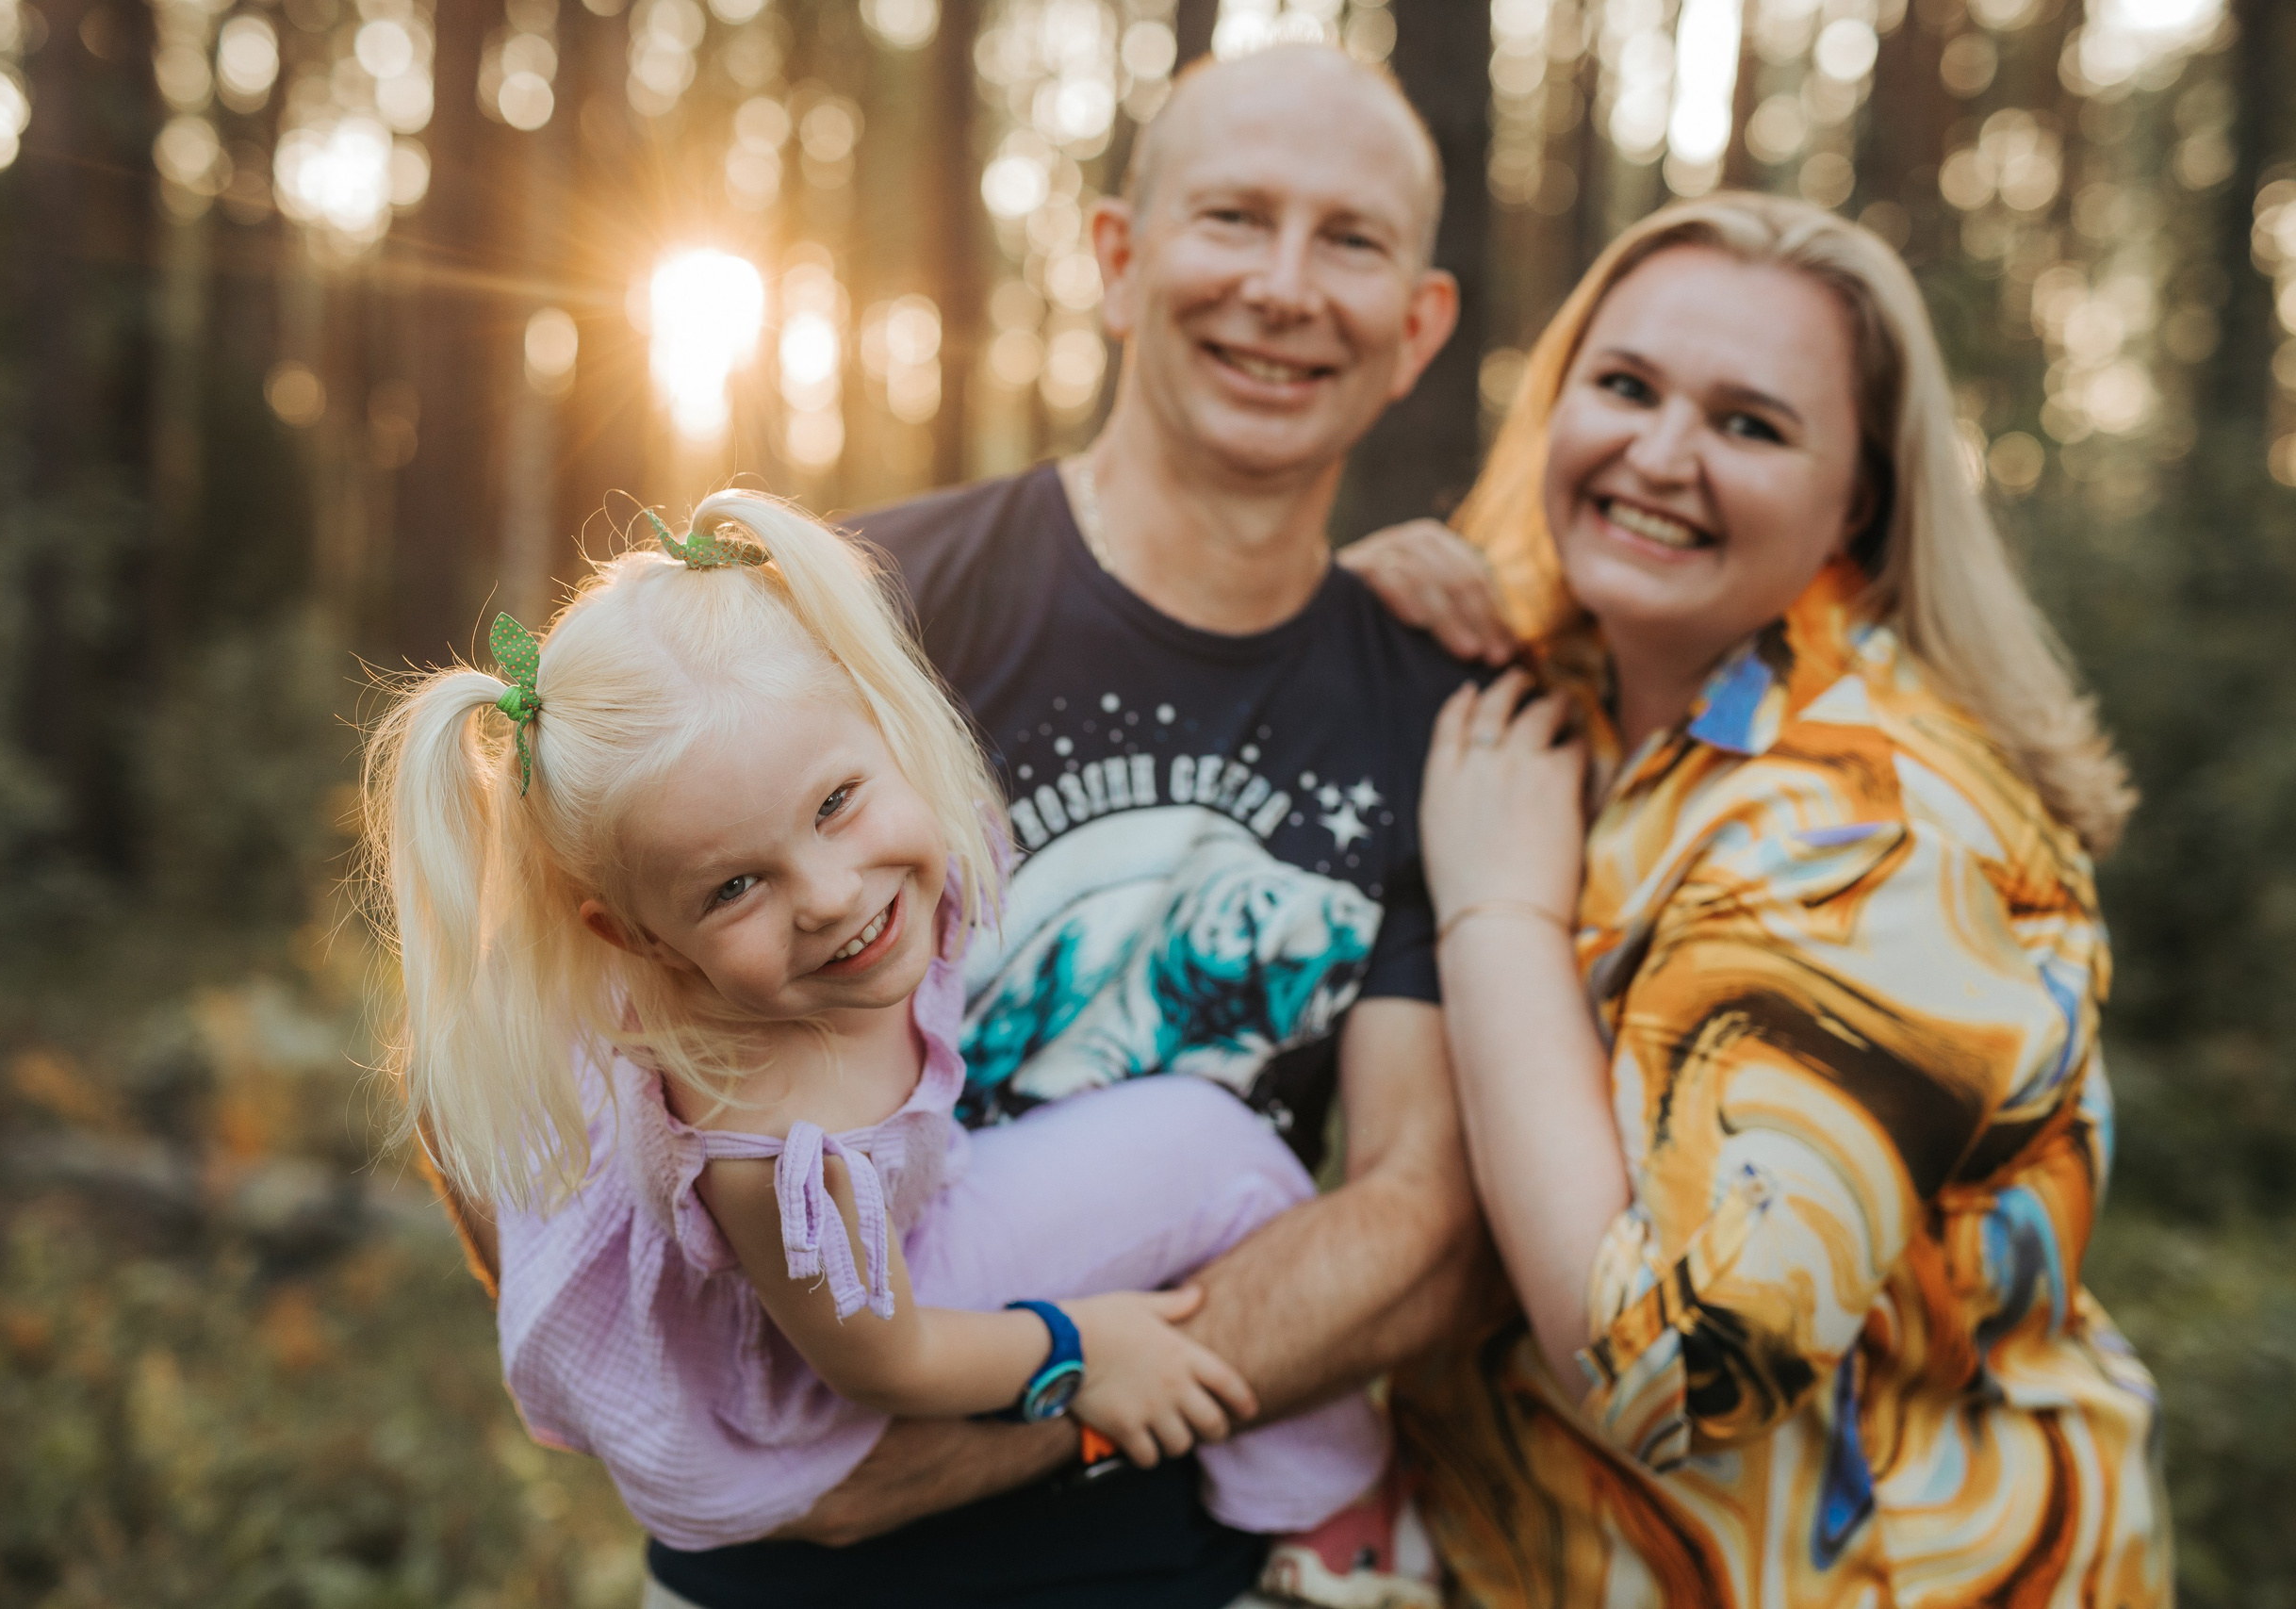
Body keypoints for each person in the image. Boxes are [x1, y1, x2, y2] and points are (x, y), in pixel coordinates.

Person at [636, 41, 1493, 1609]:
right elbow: (567, 1015)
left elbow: (1415, 1219)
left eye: (1352, 239)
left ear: (1419, 324)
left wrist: (987, 1424)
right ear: (1118, 259)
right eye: (1232, 217)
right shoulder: (859, 607)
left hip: (1183, 1560)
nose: (1286, 287)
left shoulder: (1439, 708)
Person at [362, 494, 1415, 1598]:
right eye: (734, 887)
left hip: (885, 1258)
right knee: (1217, 1155)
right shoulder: (771, 1145)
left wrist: (1332, 586)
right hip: (838, 1376)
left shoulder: (851, 854)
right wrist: (1082, 1349)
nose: (829, 897)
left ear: (882, 718)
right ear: (633, 936)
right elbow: (883, 1360)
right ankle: (1330, 1521)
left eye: (835, 804)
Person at [1389, 192, 2171, 1604]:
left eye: (1750, 424)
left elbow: (1674, 1370)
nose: (1659, 453)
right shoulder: (1577, 696)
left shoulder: (1879, 827)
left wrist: (1498, 918)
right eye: (1624, 386)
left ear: (1855, 496)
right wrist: (1353, 620)